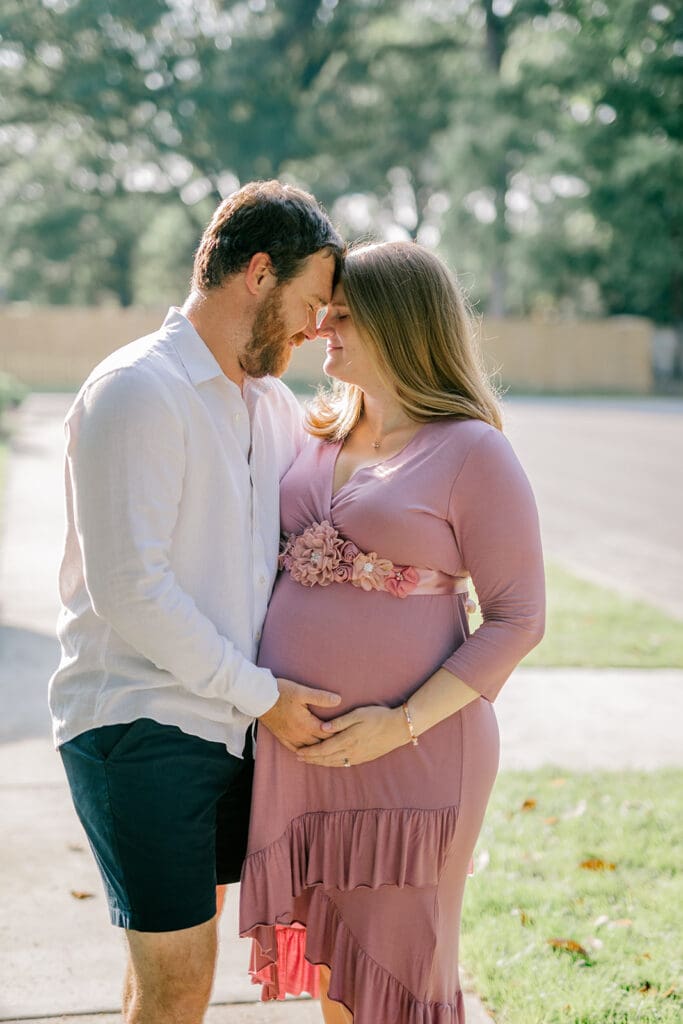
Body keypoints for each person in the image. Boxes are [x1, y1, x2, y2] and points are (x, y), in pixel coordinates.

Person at [48, 180, 345, 1024]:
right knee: (182, 980)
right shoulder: (137, 390)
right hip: (139, 721)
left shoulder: (269, 405)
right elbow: (132, 590)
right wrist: (266, 699)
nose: (316, 328)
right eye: (311, 302)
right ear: (258, 273)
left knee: (162, 969)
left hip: (234, 723)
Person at [239, 241, 546, 1023]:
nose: (323, 325)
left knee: (403, 976)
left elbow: (518, 618)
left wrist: (399, 724)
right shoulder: (312, 435)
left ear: (399, 324)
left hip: (413, 756)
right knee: (341, 976)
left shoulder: (471, 450)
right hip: (301, 754)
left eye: (343, 313)